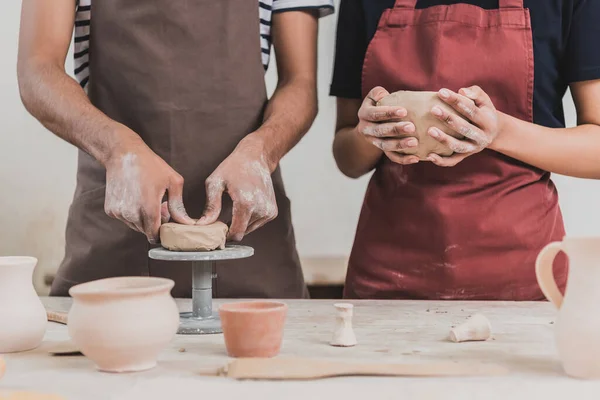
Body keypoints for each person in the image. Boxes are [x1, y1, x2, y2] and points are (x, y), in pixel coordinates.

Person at [18, 0, 334, 298]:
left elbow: (300, 84)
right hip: (116, 228)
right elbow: (38, 70)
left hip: (249, 232)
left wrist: (261, 152)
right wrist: (118, 150)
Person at [330, 0, 600, 300]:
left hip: (525, 278)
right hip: (389, 277)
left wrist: (498, 132)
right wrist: (370, 133)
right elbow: (346, 158)